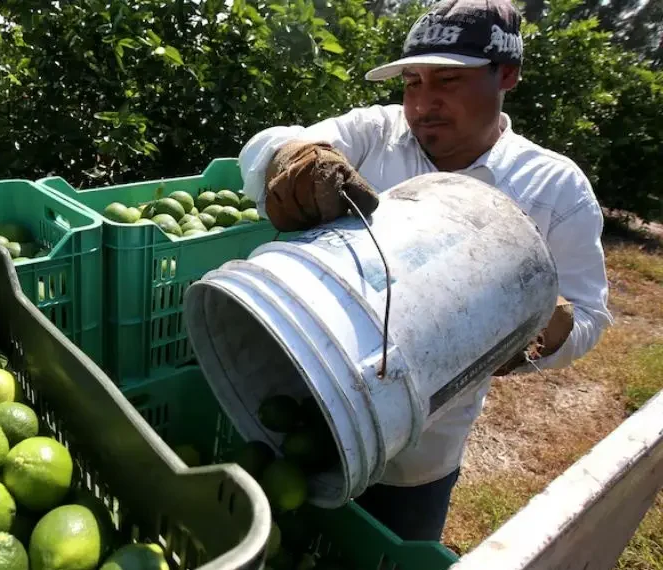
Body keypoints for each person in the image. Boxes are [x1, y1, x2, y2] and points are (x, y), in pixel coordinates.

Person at [237, 0, 613, 542]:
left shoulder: (553, 189)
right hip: (308, 396)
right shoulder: (375, 135)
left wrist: (540, 331)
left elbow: (590, 315)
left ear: (506, 75)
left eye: (448, 81)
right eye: (412, 82)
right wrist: (292, 158)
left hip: (421, 447)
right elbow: (266, 145)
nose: (422, 103)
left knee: (394, 544)